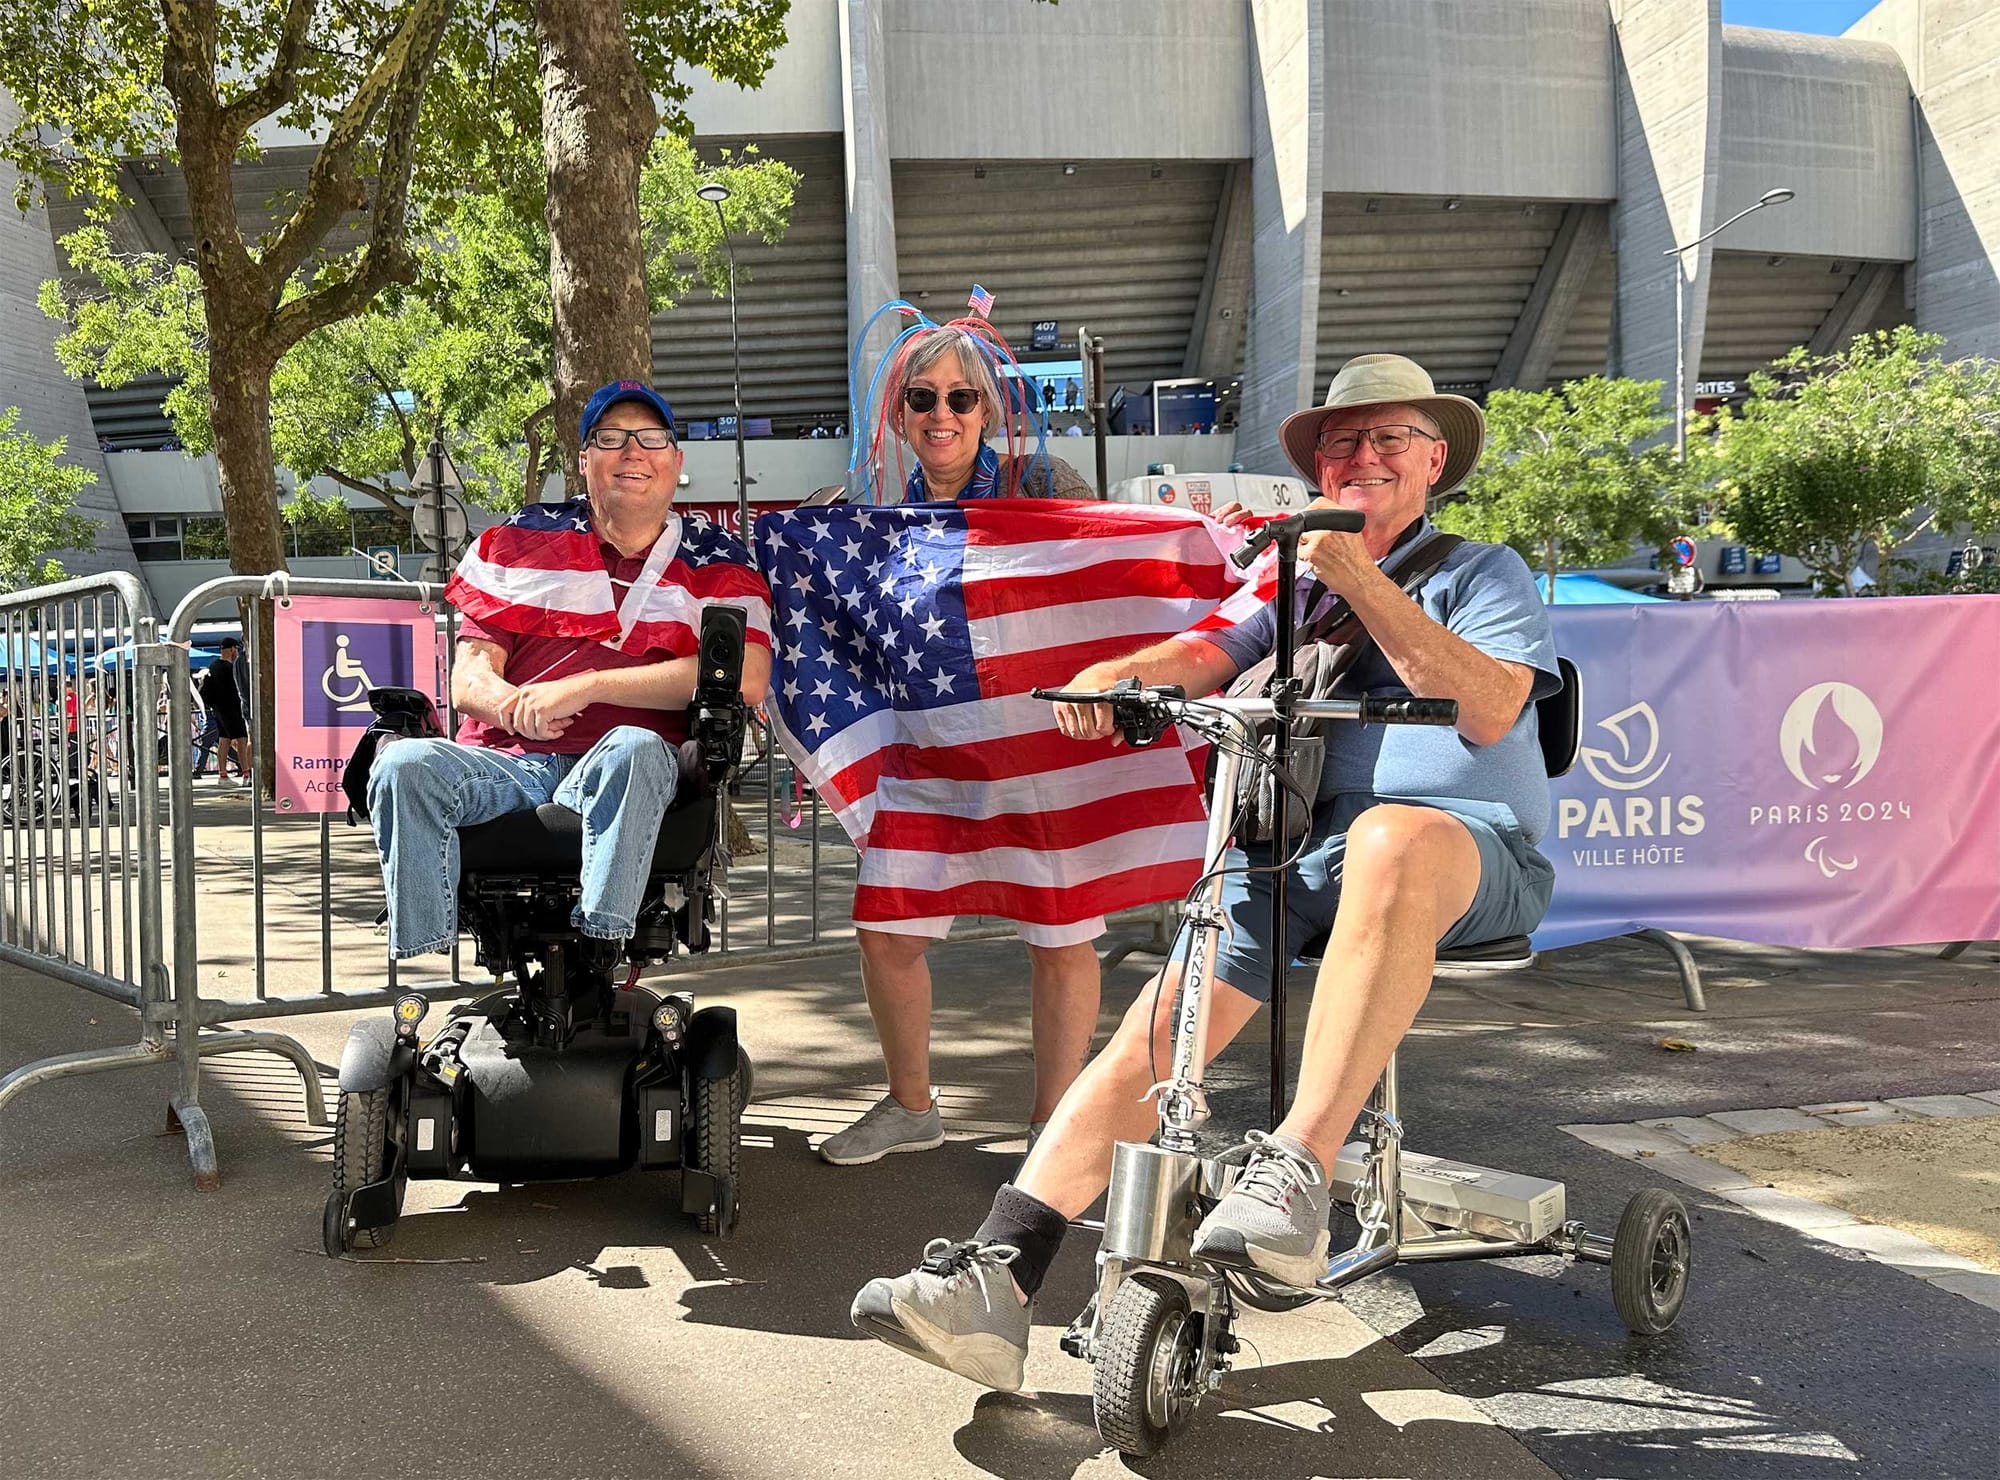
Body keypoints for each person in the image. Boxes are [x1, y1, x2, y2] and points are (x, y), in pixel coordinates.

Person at [849, 352, 1561, 1392]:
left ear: (1432, 460)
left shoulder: (1476, 569)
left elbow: (1490, 707)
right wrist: (1114, 674)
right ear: (1318, 465)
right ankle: (994, 1278)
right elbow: (1203, 651)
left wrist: (1358, 574)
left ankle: (1295, 1173)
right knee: (1165, 1017)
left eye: (1386, 440)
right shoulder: (1290, 586)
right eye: (1340, 443)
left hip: (1463, 851)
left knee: (1390, 839)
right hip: (1306, 854)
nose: (1360, 456)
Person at [816, 323, 1098, 1167]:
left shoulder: (1043, 478)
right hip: (929, 754)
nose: (941, 413)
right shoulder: (869, 515)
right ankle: (911, 1106)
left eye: (960, 397)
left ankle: (1051, 1129)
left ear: (988, 409)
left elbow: (1109, 568)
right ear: (898, 415)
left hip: (1039, 747)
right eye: (922, 397)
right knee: (888, 930)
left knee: (1060, 935)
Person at [366, 380, 773, 960]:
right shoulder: (519, 544)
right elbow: (469, 678)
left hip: (628, 768)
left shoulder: (717, 561)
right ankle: (426, 947)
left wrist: (586, 686)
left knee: (632, 747)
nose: (633, 451)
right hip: (513, 763)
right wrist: (515, 707)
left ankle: (601, 940)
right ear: (584, 461)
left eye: (651, 437)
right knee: (403, 763)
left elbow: (748, 676)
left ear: (676, 460)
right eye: (611, 438)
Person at [197, 640, 249, 784]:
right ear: (232, 649)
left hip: (218, 709)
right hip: (232, 709)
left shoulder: (213, 666)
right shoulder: (230, 668)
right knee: (242, 740)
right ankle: (246, 773)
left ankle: (223, 775)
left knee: (224, 740)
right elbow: (236, 690)